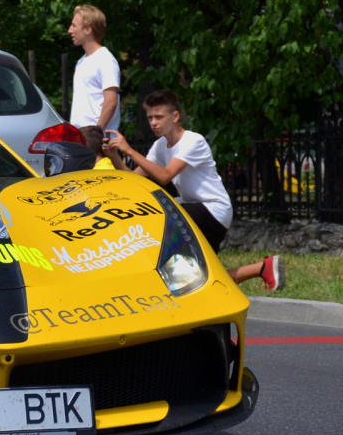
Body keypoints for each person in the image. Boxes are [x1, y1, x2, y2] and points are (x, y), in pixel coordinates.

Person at [106, 90, 284, 291]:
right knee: (194, 280)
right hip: (195, 210)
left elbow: (165, 176)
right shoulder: (160, 146)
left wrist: (129, 150)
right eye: (150, 118)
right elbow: (135, 180)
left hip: (213, 210)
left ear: (175, 116)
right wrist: (114, 156)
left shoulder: (193, 141)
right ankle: (263, 268)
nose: (153, 122)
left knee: (160, 214)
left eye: (159, 117)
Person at [68, 5, 120, 132]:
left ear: (88, 29)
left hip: (98, 141)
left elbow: (111, 102)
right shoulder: (81, 62)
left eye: (74, 26)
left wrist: (96, 134)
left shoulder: (105, 60)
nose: (70, 30)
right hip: (82, 138)